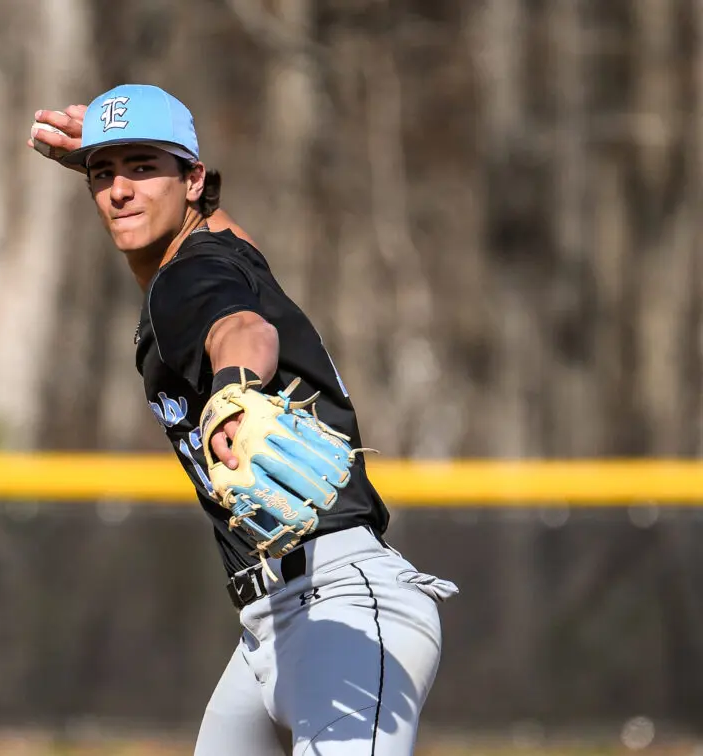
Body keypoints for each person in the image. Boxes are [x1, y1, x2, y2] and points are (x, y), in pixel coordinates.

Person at [28, 84, 458, 756]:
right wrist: (130, 168)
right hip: (268, 628)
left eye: (144, 167)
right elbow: (228, 262)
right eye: (103, 173)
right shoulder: (223, 253)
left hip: (341, 605)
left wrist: (232, 391)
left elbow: (243, 328)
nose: (118, 190)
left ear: (193, 179)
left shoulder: (186, 282)